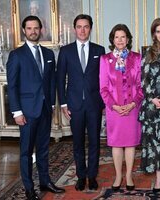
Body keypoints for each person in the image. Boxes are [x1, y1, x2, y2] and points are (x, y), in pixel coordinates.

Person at [6, 15, 65, 200]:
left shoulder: (48, 55)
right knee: (26, 151)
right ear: (24, 31)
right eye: (29, 28)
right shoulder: (16, 55)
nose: (33, 31)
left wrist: (52, 104)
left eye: (36, 28)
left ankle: (45, 181)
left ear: (41, 30)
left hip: (45, 109)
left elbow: (51, 82)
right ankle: (29, 187)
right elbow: (12, 85)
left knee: (43, 149)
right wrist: (17, 112)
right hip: (26, 112)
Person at [57, 14, 105, 191]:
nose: (82, 30)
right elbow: (60, 79)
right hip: (74, 105)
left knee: (94, 142)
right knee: (77, 143)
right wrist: (63, 103)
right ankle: (81, 176)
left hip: (94, 104)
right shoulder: (65, 51)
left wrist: (104, 103)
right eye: (79, 26)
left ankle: (92, 176)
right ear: (74, 29)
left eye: (86, 26)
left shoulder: (99, 50)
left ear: (90, 28)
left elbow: (104, 78)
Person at [99, 24, 143, 191]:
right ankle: (118, 176)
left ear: (128, 39)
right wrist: (114, 106)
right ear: (112, 39)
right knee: (117, 144)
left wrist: (133, 104)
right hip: (114, 110)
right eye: (117, 37)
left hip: (132, 108)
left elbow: (141, 86)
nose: (120, 40)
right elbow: (103, 88)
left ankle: (129, 176)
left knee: (130, 144)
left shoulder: (137, 58)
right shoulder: (105, 59)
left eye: (123, 37)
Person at [139, 18, 160, 194]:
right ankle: (159, 177)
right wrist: (152, 99)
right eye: (158, 31)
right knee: (154, 143)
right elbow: (144, 80)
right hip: (153, 107)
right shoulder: (149, 53)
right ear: (154, 34)